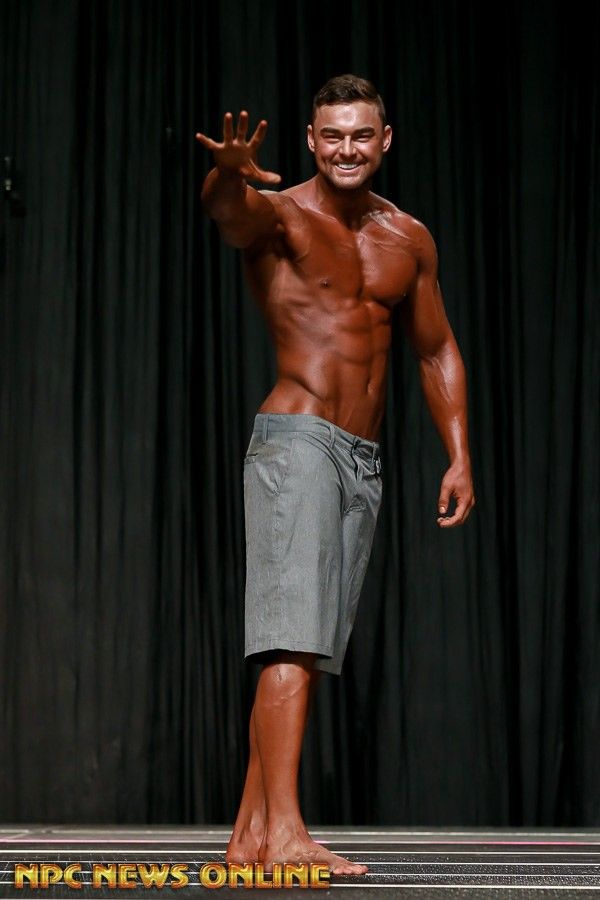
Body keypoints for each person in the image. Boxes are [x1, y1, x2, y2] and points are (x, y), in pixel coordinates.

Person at [196, 74, 475, 876]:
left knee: (308, 647)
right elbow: (231, 215)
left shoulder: (407, 238)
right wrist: (225, 175)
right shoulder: (284, 216)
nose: (346, 149)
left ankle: (251, 833)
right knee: (290, 639)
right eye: (331, 136)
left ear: (383, 141)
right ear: (311, 142)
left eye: (360, 135)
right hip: (299, 441)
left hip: (361, 458)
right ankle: (287, 834)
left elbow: (435, 348)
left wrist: (459, 453)